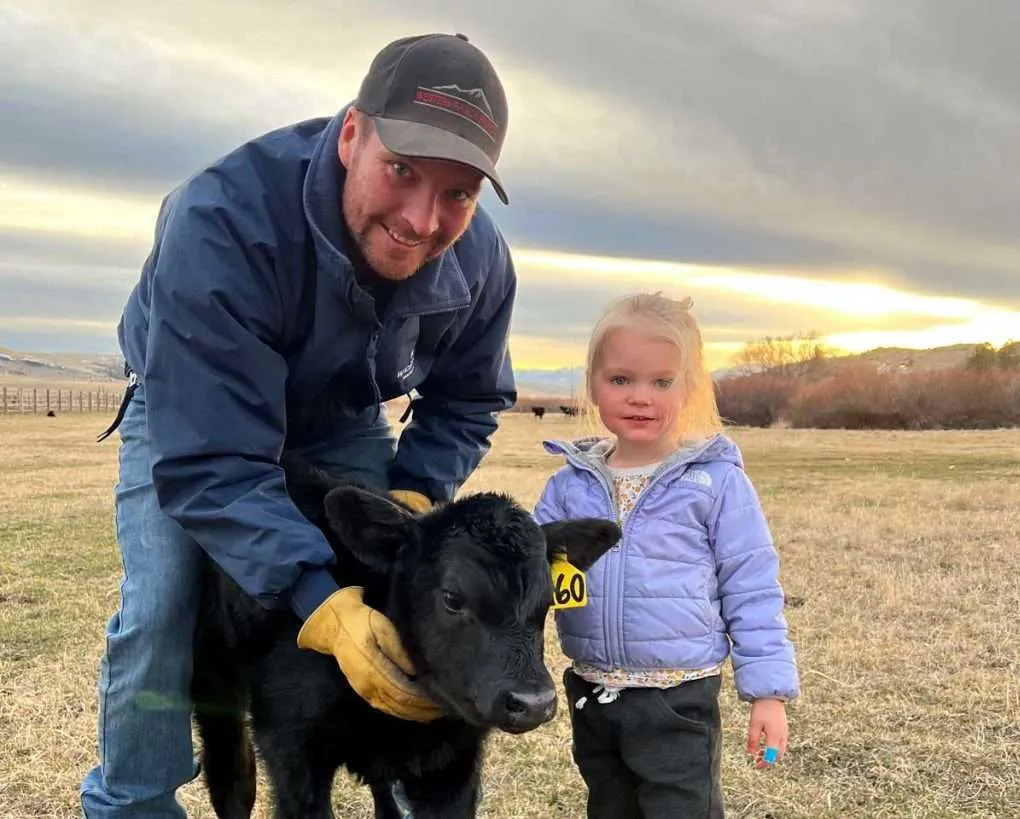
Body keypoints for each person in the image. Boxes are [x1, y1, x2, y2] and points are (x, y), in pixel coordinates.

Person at [81, 32, 518, 818]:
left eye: (458, 193)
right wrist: (316, 596)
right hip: (194, 410)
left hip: (339, 412)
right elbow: (217, 463)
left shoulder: (480, 261)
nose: (424, 219)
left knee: (396, 591)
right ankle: (132, 801)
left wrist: (417, 497)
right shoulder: (220, 223)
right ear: (352, 135)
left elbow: (469, 397)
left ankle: (414, 793)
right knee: (165, 608)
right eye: (404, 170)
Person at [534, 292, 800, 818]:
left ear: (691, 388)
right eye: (621, 379)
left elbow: (751, 587)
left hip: (679, 699)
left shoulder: (715, 483)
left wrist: (767, 693)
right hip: (592, 692)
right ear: (593, 384)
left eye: (662, 382)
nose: (640, 397)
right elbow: (526, 576)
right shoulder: (568, 487)